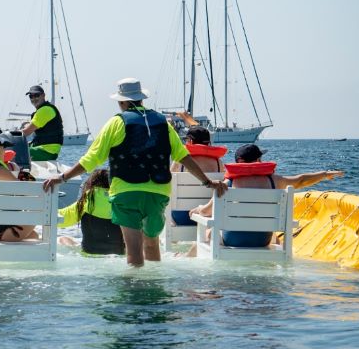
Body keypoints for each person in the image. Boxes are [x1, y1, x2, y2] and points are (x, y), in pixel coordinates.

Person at [43, 78, 227, 267]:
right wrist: (207, 182)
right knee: (152, 245)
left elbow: (91, 160)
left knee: (134, 249)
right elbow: (184, 157)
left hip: (126, 192)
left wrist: (62, 177)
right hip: (157, 193)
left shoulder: (116, 123)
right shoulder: (164, 123)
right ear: (141, 99)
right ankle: (154, 289)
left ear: (122, 101)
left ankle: (135, 292)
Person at [186, 143, 343, 253]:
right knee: (274, 235)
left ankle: (187, 258)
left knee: (207, 231)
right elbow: (301, 180)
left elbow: (207, 212)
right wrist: (324, 174)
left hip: (233, 240)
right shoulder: (275, 180)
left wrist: (198, 210)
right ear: (258, 161)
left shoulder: (228, 183)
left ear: (239, 162)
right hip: (262, 240)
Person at [57, 169, 124, 255]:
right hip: (117, 255)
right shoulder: (122, 202)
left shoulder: (88, 199)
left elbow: (62, 220)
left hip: (89, 253)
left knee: (63, 239)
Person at [21, 85, 63, 162]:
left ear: (43, 95)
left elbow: (26, 132)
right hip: (47, 150)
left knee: (13, 152)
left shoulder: (45, 110)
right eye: (31, 96)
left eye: (36, 95)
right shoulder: (45, 109)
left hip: (46, 151)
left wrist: (4, 138)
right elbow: (32, 127)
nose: (34, 98)